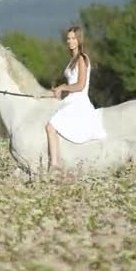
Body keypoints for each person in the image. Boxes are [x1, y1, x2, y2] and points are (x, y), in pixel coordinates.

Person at [45, 26, 107, 170]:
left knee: (51, 126)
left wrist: (63, 87)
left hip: (79, 102)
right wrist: (57, 92)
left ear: (79, 40)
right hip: (70, 99)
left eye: (73, 38)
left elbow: (80, 85)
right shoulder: (72, 59)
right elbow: (72, 85)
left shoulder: (82, 58)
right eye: (68, 38)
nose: (70, 41)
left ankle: (54, 165)